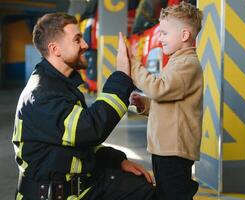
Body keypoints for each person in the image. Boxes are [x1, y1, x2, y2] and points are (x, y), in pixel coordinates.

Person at [12, 13, 156, 200]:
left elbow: (81, 145)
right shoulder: (41, 94)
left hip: (74, 186)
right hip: (54, 195)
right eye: (77, 39)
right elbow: (89, 128)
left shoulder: (60, 86)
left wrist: (117, 160)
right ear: (55, 49)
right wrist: (121, 76)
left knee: (141, 188)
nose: (86, 45)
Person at [120, 1, 204, 199]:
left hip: (174, 150)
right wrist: (145, 104)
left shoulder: (187, 64)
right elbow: (170, 103)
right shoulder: (177, 61)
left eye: (165, 33)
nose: (160, 38)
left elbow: (160, 90)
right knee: (166, 193)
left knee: (174, 194)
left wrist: (133, 65)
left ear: (184, 35)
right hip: (165, 147)